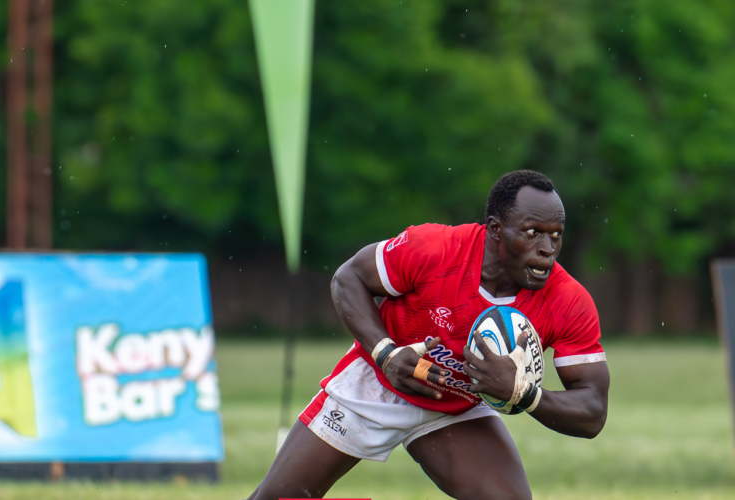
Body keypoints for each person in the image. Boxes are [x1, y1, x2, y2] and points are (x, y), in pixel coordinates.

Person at [248, 170, 610, 500]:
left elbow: (592, 412)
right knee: (276, 499)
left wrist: (523, 393)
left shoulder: (568, 301)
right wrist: (386, 354)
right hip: (378, 384)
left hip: (455, 406)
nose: (547, 249)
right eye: (533, 232)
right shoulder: (435, 248)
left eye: (556, 235)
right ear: (496, 229)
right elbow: (348, 278)